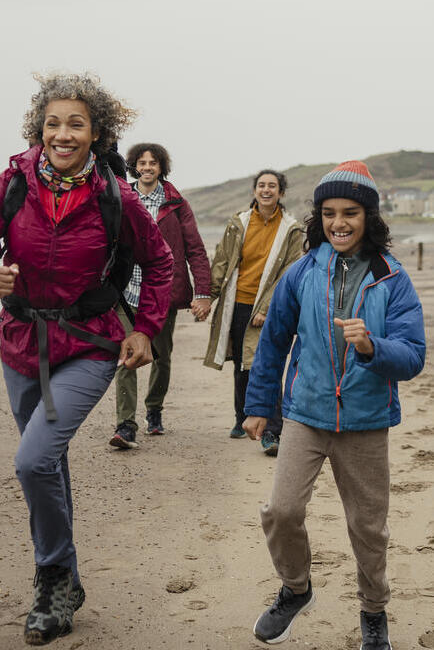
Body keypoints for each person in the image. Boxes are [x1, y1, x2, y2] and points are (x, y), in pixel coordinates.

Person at [0, 73, 173, 646]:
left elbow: (162, 263)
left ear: (96, 133)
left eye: (76, 123)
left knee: (31, 462)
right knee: (47, 462)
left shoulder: (115, 197)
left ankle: (50, 578)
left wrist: (145, 329)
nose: (63, 133)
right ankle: (69, 580)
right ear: (39, 129)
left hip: (89, 345)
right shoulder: (10, 185)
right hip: (20, 343)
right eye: (53, 123)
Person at [243, 161, 426, 648]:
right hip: (306, 413)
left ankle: (374, 612)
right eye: (328, 213)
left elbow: (413, 358)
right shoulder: (302, 271)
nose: (338, 222)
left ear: (369, 216)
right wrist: (260, 404)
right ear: (318, 217)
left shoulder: (392, 279)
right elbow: (273, 342)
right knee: (282, 511)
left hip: (367, 422)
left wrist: (372, 348)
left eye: (350, 212)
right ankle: (296, 589)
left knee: (368, 529)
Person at [109, 143, 212, 448]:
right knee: (126, 356)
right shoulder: (122, 197)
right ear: (134, 166)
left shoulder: (176, 203)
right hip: (126, 292)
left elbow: (195, 248)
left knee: (160, 357)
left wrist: (204, 291)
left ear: (161, 167)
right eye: (142, 163)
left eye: (153, 163)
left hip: (162, 293)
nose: (147, 167)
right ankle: (125, 424)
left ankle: (154, 409)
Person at [203, 169, 303, 454]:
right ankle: (242, 417)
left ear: (281, 193)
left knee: (267, 364)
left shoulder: (291, 227)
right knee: (242, 364)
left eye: (272, 186)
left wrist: (267, 307)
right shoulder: (240, 222)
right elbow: (223, 259)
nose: (266, 190)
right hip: (238, 302)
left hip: (270, 306)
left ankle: (273, 430)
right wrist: (208, 296)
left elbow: (289, 271)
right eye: (261, 185)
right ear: (254, 191)